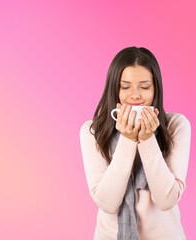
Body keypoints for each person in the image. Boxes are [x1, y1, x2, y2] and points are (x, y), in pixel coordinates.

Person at [80, 46, 191, 240]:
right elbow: (107, 202)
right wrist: (128, 140)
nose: (136, 95)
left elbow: (166, 200)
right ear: (114, 89)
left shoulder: (176, 125)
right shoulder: (93, 132)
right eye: (125, 87)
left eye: (145, 87)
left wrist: (147, 140)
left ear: (156, 89)